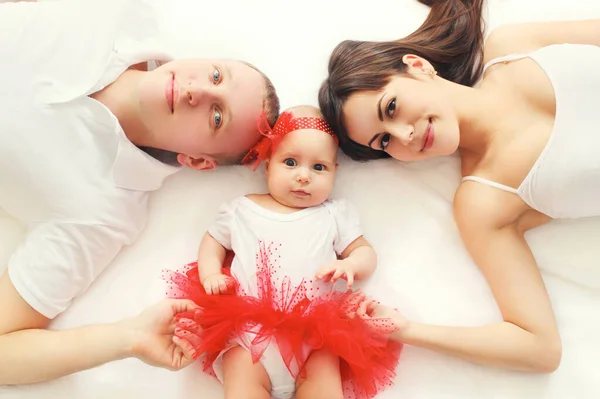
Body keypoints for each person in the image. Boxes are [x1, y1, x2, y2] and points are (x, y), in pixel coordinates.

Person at [0, 0, 279, 385]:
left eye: (216, 117)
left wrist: (127, 338)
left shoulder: (103, 211)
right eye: (216, 75)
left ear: (198, 161)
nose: (195, 90)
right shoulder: (121, 12)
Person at [318, 0, 600, 373]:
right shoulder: (485, 200)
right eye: (384, 142)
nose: (405, 135)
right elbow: (540, 347)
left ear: (417, 67)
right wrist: (408, 330)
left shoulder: (514, 47)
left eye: (391, 108)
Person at [163, 105, 402, 399]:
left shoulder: (334, 214)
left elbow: (365, 252)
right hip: (248, 331)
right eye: (290, 162)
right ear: (268, 166)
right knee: (242, 386)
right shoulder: (242, 209)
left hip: (316, 337)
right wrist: (211, 273)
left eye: (319, 167)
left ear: (334, 172)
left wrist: (352, 264)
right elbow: (213, 241)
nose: (303, 176)